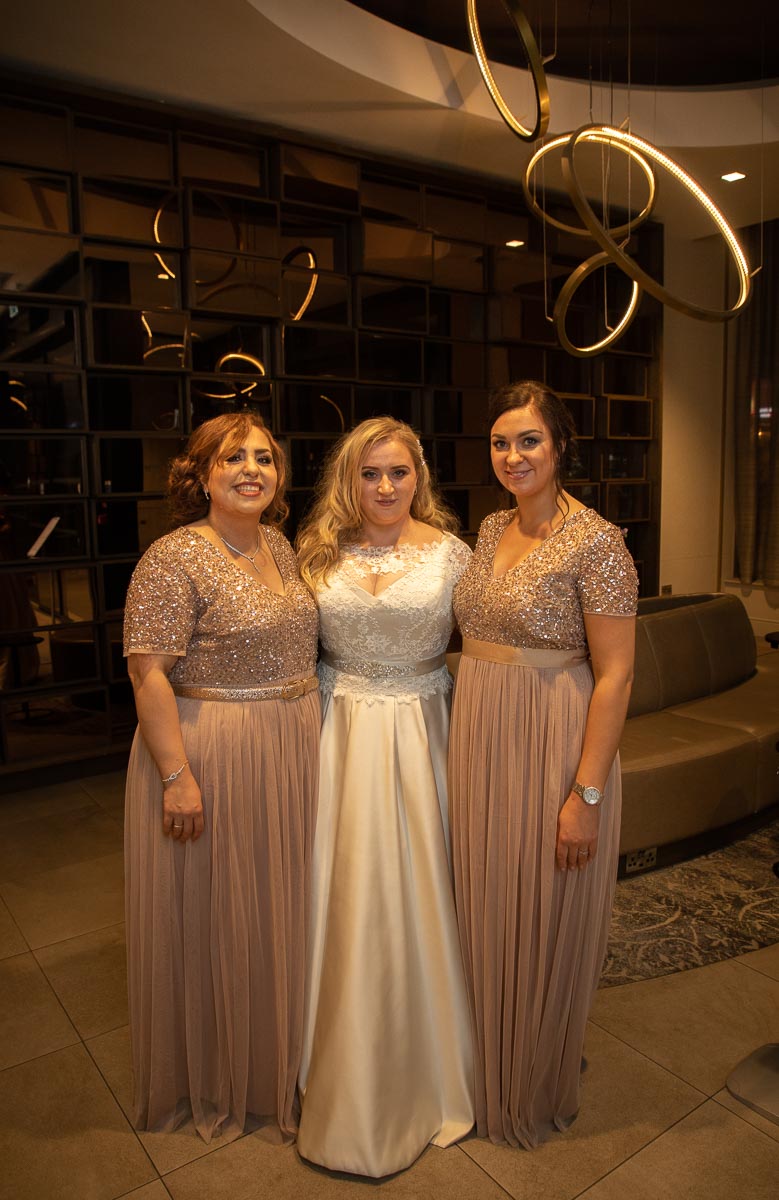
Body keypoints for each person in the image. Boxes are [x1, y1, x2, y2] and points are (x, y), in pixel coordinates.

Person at [449, 381, 637, 1149]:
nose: (512, 455)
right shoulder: (491, 526)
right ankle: (482, 1060)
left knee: (540, 908)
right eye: (500, 442)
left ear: (560, 445)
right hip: (479, 732)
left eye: (528, 440)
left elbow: (615, 675)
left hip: (550, 739)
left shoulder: (598, 542)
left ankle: (528, 1075)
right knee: (485, 900)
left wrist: (583, 794)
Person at [123, 411, 320, 1143]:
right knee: (222, 913)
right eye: (232, 458)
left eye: (264, 458)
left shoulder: (280, 545)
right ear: (200, 474)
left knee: (279, 909)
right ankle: (220, 1070)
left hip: (293, 747)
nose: (250, 470)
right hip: (217, 753)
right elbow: (147, 675)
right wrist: (176, 775)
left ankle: (278, 1058)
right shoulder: (172, 557)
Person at [295, 416, 474, 1176]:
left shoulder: (455, 555)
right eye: (370, 473)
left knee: (417, 887)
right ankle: (326, 1056)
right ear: (349, 480)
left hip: (421, 732)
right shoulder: (314, 552)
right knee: (338, 889)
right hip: (334, 734)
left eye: (399, 472)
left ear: (419, 477)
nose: (386, 486)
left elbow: (495, 643)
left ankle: (427, 1058)